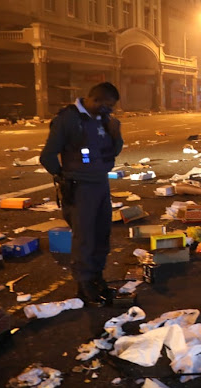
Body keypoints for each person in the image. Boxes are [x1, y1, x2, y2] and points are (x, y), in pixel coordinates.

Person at [39, 82, 123, 306]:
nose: (109, 111)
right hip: (81, 187)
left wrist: (117, 135)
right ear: (94, 100)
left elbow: (112, 151)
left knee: (101, 234)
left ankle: (97, 278)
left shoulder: (104, 120)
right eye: (106, 106)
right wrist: (64, 177)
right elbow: (47, 156)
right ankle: (84, 286)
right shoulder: (68, 119)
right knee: (84, 237)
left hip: (101, 183)